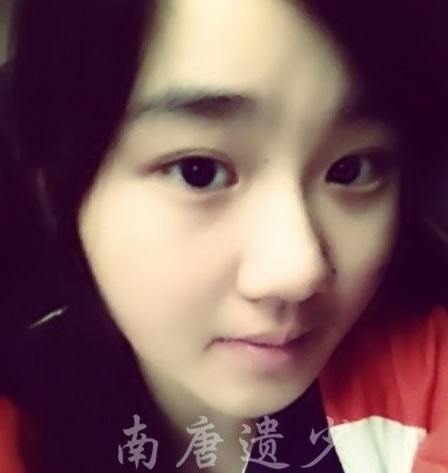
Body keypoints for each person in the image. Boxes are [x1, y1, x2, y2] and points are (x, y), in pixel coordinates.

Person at [4, 0, 448, 471]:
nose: (297, 272)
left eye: (351, 169)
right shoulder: (21, 412)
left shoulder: (425, 379)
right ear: (56, 182)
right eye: (198, 171)